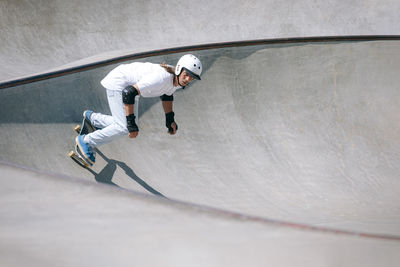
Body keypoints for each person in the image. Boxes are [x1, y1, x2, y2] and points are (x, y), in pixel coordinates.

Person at [75, 54, 203, 166]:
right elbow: (128, 93)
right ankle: (86, 141)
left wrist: (170, 119)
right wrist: (131, 125)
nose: (188, 80)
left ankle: (93, 118)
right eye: (186, 75)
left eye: (192, 78)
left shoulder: (177, 80)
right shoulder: (161, 78)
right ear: (180, 69)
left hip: (131, 89)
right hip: (120, 84)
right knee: (125, 127)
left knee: (123, 123)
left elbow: (167, 94)